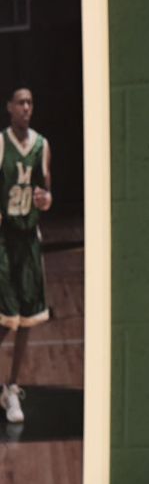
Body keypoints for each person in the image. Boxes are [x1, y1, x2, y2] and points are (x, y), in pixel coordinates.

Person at [0, 87, 53, 424]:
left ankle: (12, 387)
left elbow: (48, 191)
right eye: (20, 102)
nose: (26, 107)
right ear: (9, 107)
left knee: (26, 321)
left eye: (30, 102)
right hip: (4, 240)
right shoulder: (2, 142)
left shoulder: (42, 145)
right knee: (5, 317)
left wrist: (45, 200)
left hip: (29, 239)